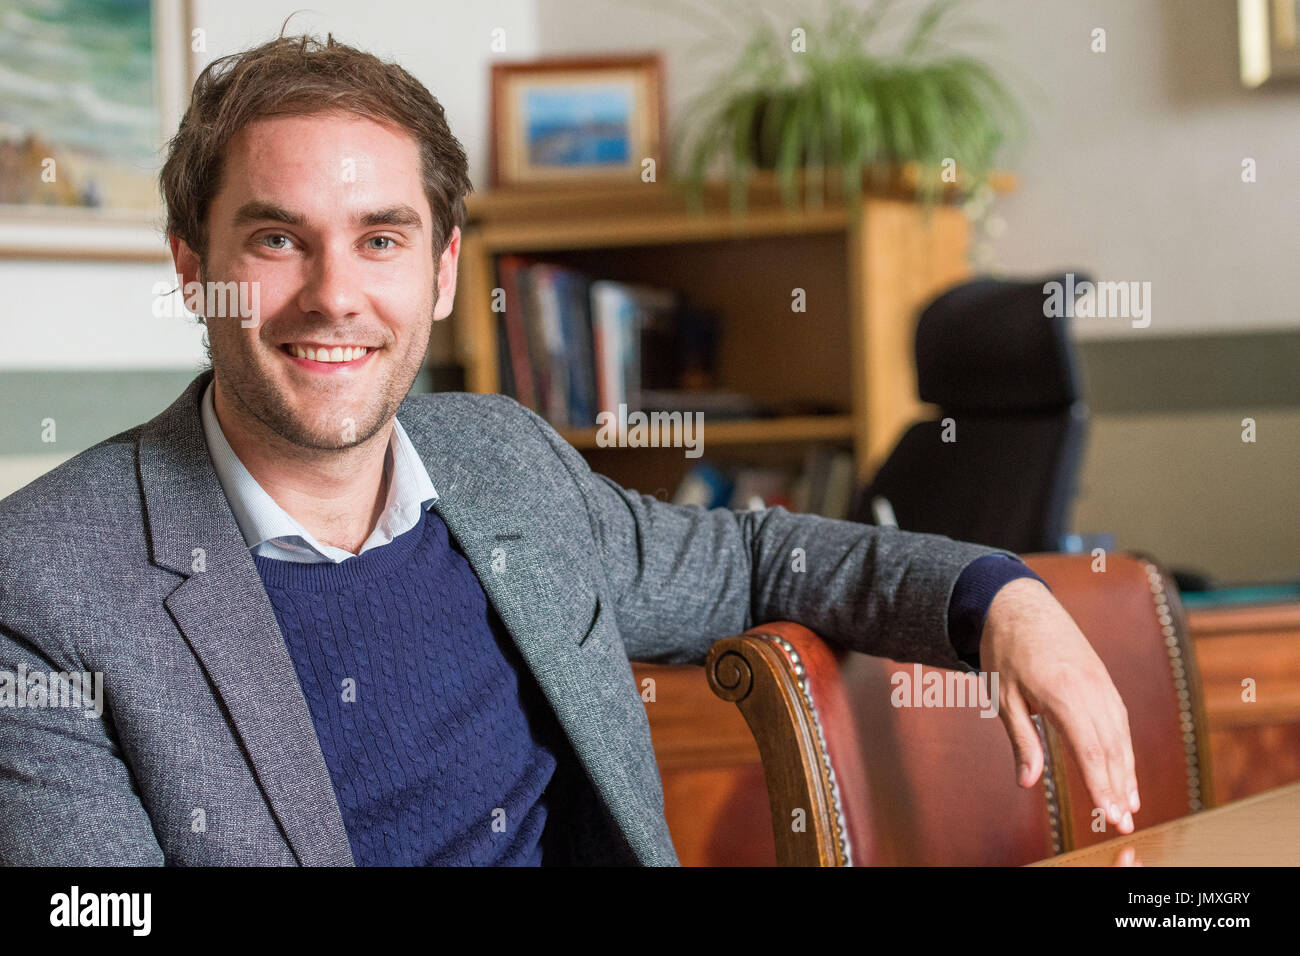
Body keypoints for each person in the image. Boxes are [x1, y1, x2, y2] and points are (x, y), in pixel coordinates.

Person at [0, 33, 1138, 866]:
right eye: (277, 238)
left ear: (442, 271)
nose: (335, 295)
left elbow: (757, 560)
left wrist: (1002, 598)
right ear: (194, 268)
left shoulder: (502, 462)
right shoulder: (47, 580)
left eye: (380, 238)